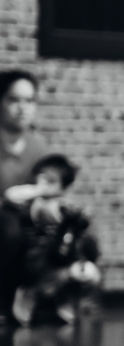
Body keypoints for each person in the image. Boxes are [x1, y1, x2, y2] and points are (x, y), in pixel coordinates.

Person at [3, 155, 101, 327]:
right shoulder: (34, 203)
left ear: (63, 186)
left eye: (51, 180)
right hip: (37, 267)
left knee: (89, 274)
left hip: (62, 265)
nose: (44, 183)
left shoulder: (68, 206)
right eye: (41, 177)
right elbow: (12, 196)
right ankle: (31, 293)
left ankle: (63, 298)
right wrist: (39, 189)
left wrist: (77, 222)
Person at [0, 70, 49, 321]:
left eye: (29, 101)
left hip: (27, 216)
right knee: (10, 231)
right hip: (4, 218)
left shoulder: (38, 147)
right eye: (14, 99)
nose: (22, 108)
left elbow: (48, 188)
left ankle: (41, 299)